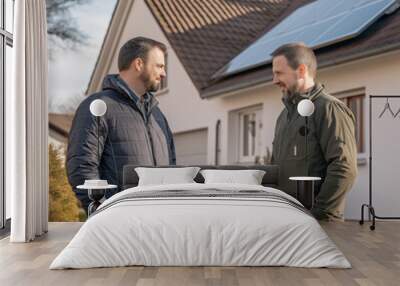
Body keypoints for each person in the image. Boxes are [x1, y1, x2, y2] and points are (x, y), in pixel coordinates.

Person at [67, 37, 176, 212]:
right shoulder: (97, 107)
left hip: (159, 220)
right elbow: (82, 167)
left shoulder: (158, 115)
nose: (163, 74)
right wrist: (104, 213)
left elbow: (172, 166)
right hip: (119, 222)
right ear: (139, 64)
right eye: (159, 66)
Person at [270, 43, 357, 221]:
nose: (274, 80)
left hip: (318, 225)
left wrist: (317, 214)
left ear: (301, 70)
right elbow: (275, 169)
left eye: (279, 73)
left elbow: (344, 167)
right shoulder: (284, 116)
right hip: (286, 221)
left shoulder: (329, 108)